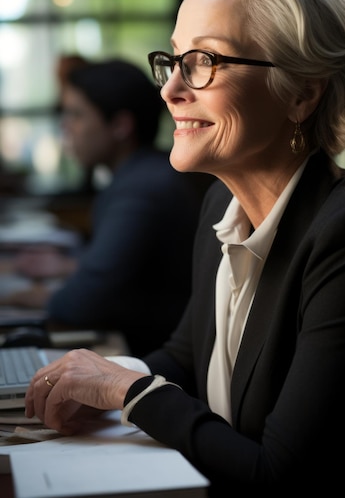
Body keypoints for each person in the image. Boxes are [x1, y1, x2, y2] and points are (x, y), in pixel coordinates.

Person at [25, 0, 345, 496]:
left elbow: (279, 474)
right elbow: (187, 355)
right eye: (174, 59)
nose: (171, 90)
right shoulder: (221, 202)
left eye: (204, 60)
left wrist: (128, 394)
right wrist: (100, 379)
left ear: (302, 92)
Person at [2, 58, 203, 356]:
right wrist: (73, 266)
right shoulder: (145, 172)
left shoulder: (140, 190)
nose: (65, 126)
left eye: (77, 114)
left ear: (120, 126)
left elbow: (82, 302)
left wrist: (37, 296)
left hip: (159, 360)